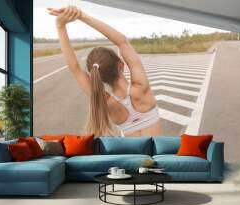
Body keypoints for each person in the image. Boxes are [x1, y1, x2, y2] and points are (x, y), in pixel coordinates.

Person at [48, 6, 163, 137]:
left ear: (98, 76)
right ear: (121, 64)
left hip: (132, 156)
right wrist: (82, 16)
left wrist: (60, 26)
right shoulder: (141, 88)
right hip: (157, 155)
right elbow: (122, 41)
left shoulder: (106, 102)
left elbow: (74, 68)